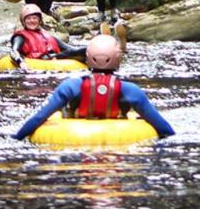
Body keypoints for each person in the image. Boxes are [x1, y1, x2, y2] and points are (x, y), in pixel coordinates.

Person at [12, 35, 175, 140]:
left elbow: (39, 117)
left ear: (88, 58)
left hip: (72, 140)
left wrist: (16, 138)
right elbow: (164, 129)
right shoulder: (131, 90)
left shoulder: (70, 86)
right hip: (120, 142)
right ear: (117, 60)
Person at [8, 4, 85, 70]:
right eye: (28, 18)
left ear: (40, 21)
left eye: (34, 18)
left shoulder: (47, 36)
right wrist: (20, 61)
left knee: (79, 51)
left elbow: (70, 49)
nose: (32, 21)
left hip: (55, 57)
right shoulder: (20, 37)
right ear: (23, 21)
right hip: (40, 60)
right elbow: (13, 51)